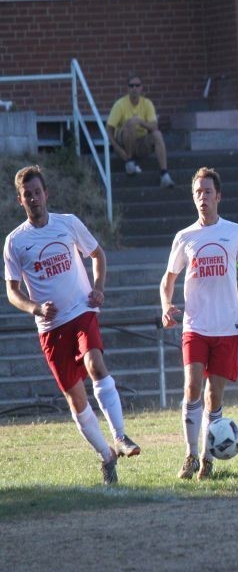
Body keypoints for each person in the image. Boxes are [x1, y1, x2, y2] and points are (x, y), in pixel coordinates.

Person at [3, 165, 140, 485]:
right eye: (28, 195)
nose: (34, 199)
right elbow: (12, 292)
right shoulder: (15, 242)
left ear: (46, 194)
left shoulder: (68, 224)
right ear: (19, 200)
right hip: (50, 329)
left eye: (38, 192)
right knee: (76, 399)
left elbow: (98, 254)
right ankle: (107, 457)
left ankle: (120, 436)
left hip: (82, 312)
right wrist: (35, 307)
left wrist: (99, 287)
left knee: (95, 363)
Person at [160, 167, 238, 480]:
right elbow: (169, 278)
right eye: (197, 193)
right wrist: (166, 305)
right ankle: (189, 456)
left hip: (227, 327)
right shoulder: (185, 237)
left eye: (207, 192)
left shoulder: (236, 232)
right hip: (195, 326)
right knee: (192, 387)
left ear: (219, 196)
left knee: (213, 397)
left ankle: (207, 459)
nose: (202, 198)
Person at [106, 73, 175, 189]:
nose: (134, 89)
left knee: (157, 134)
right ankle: (129, 161)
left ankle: (164, 174)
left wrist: (139, 121)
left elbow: (154, 126)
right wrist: (117, 148)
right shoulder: (120, 104)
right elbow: (109, 129)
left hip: (141, 144)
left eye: (137, 85)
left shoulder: (147, 103)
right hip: (124, 145)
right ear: (127, 88)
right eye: (131, 86)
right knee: (129, 126)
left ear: (142, 87)